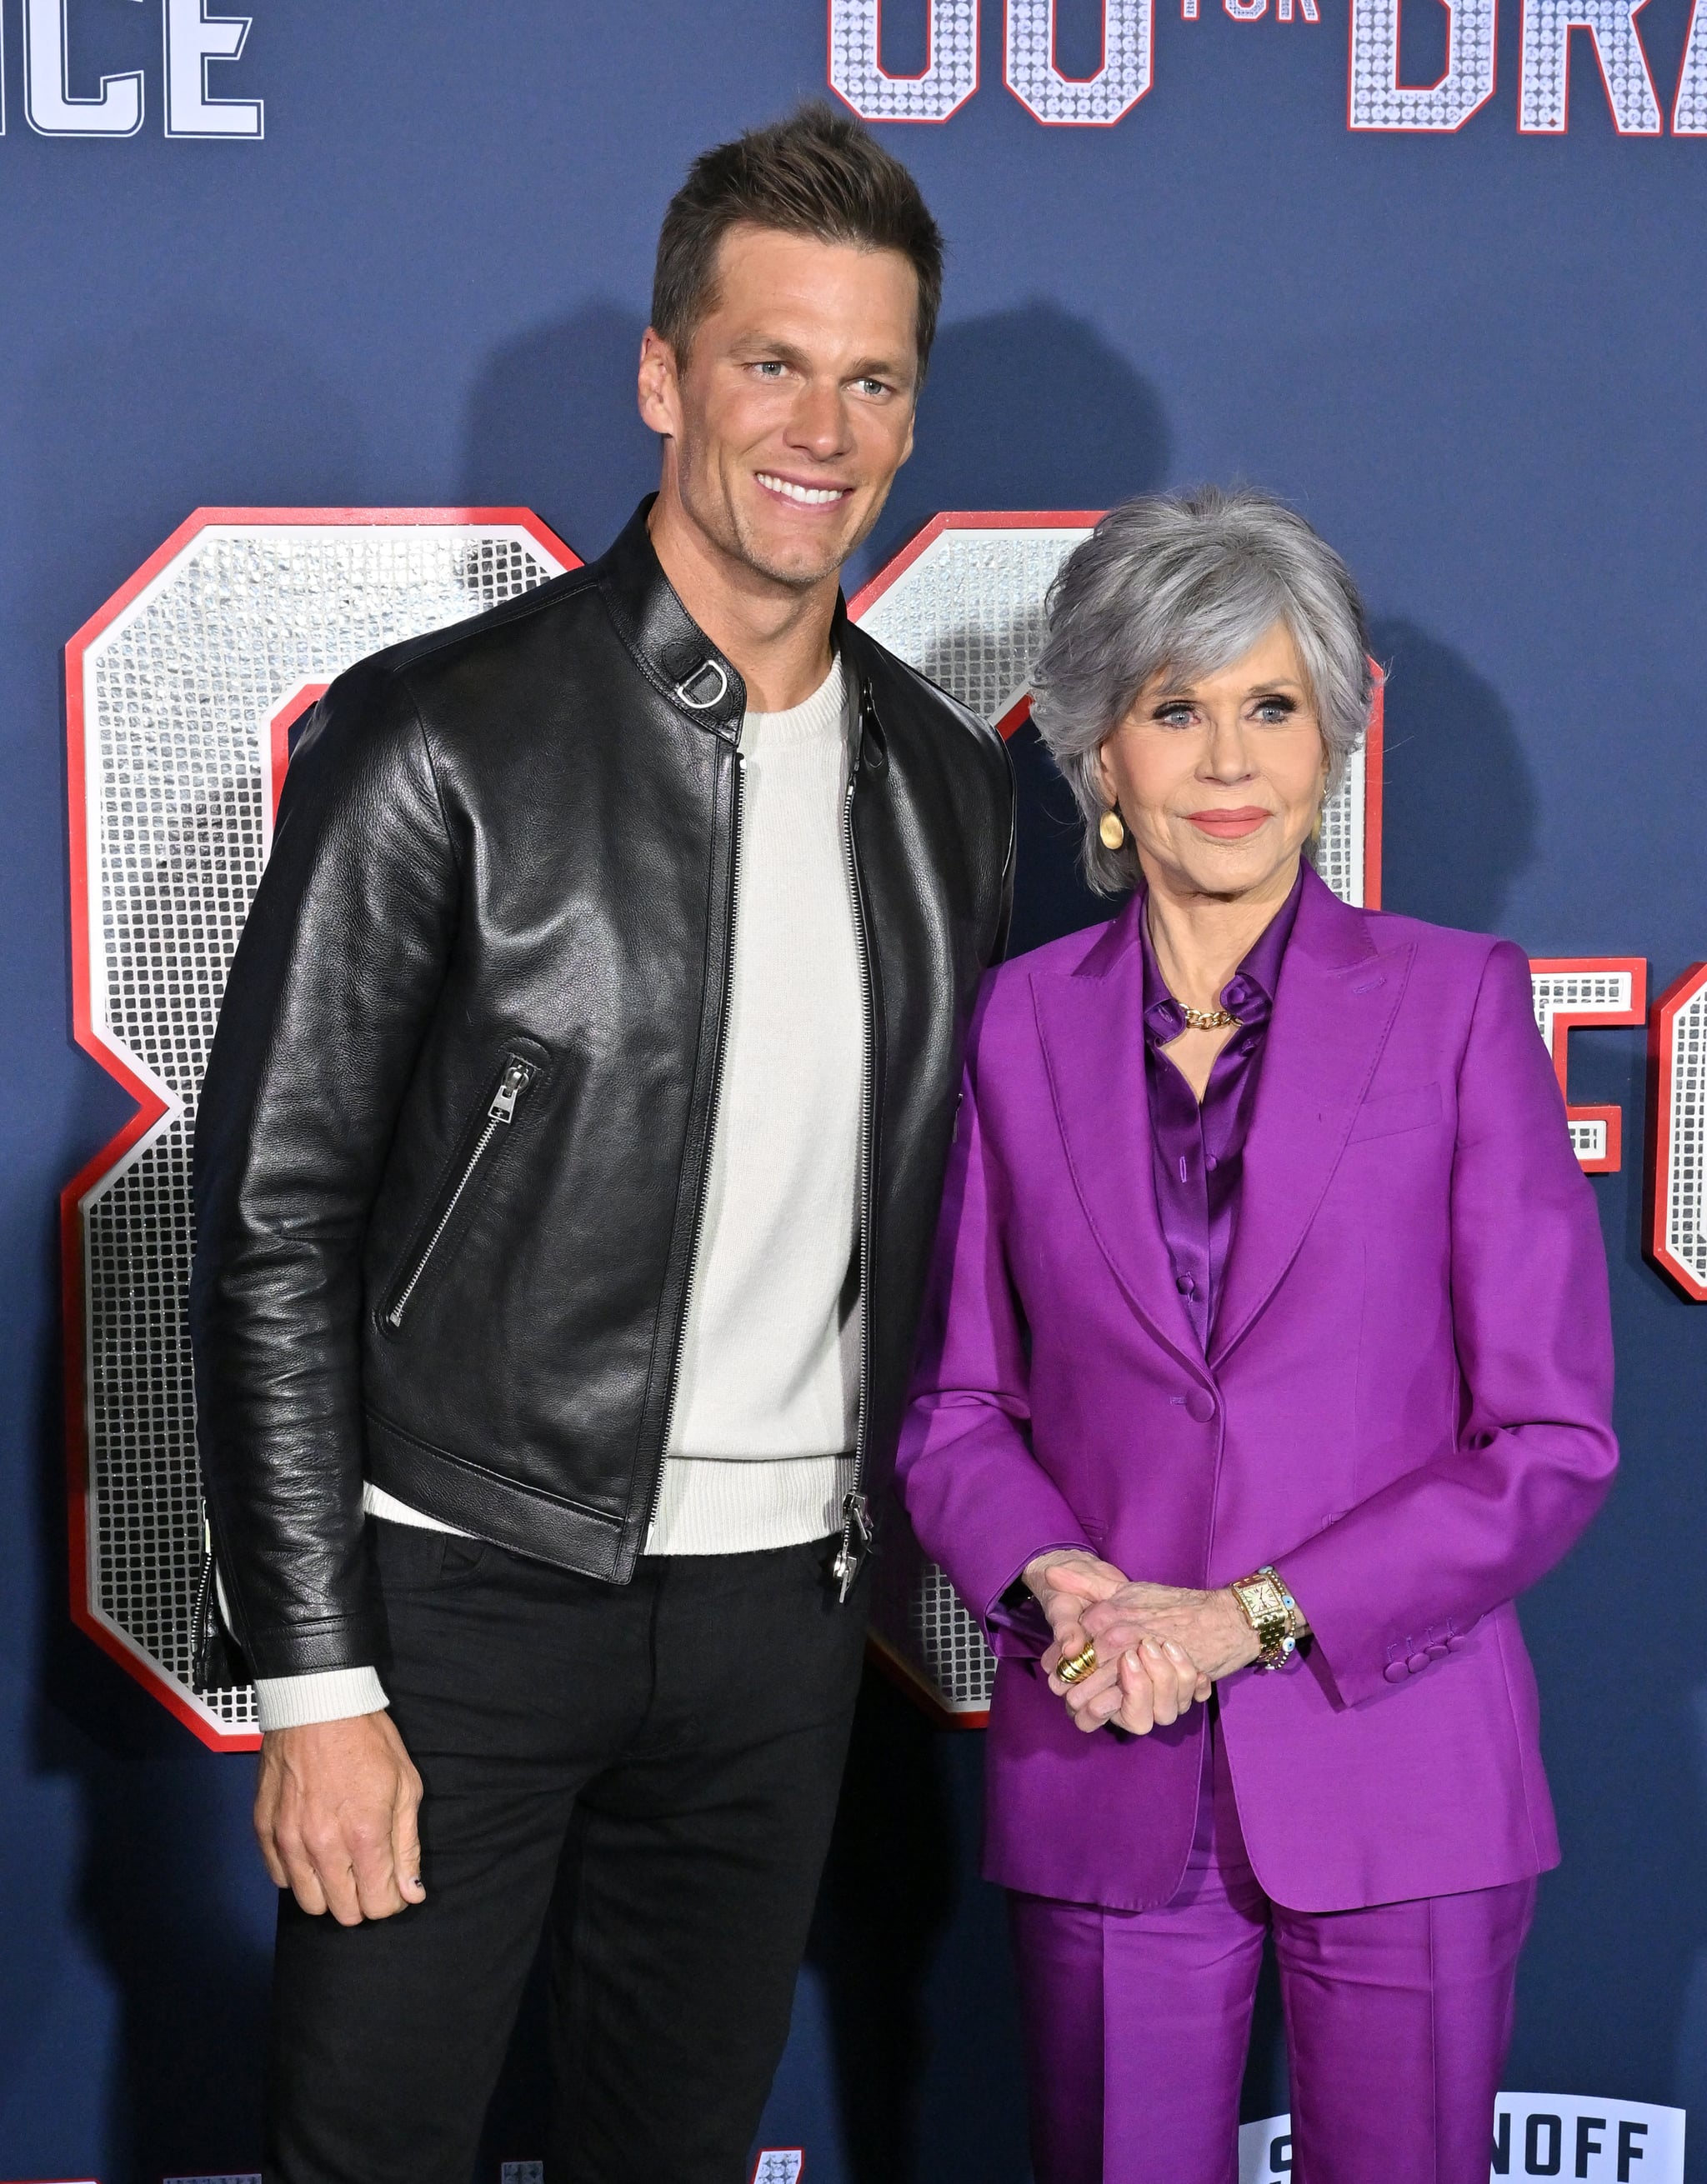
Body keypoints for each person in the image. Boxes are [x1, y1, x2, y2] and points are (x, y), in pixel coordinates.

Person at [189, 104, 1013, 2184]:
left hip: (779, 1627)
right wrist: (314, 1679)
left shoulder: (943, 787)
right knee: (370, 2151)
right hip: (467, 1594)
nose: (819, 425)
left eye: (874, 376)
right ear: (664, 379)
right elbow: (272, 1228)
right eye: (770, 360)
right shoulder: (443, 740)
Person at [896, 487, 1615, 2184]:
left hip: (1403, 1765)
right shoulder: (1014, 1024)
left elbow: (1548, 1443)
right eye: (1174, 708)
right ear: (1099, 757)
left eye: (1268, 706)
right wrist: (1061, 1584)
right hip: (1107, 1748)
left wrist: (1252, 1618)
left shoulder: (1452, 1009)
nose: (1227, 761)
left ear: (1332, 738)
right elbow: (955, 1409)